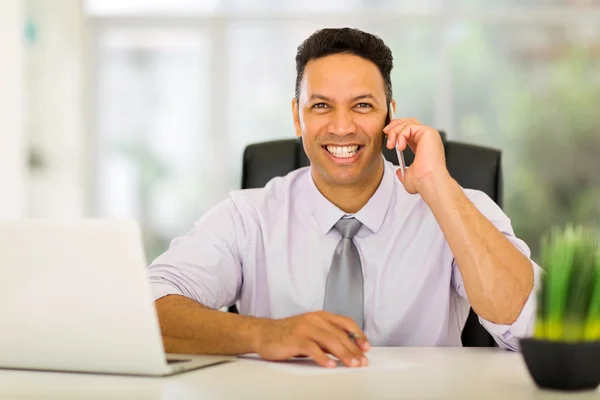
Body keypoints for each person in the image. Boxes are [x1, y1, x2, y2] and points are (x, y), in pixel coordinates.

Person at [148, 27, 542, 369]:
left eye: (362, 106)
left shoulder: (458, 206)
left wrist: (439, 188)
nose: (341, 127)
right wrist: (263, 334)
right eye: (321, 106)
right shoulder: (246, 217)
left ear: (390, 115)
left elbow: (538, 324)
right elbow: (145, 309)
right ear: (297, 117)